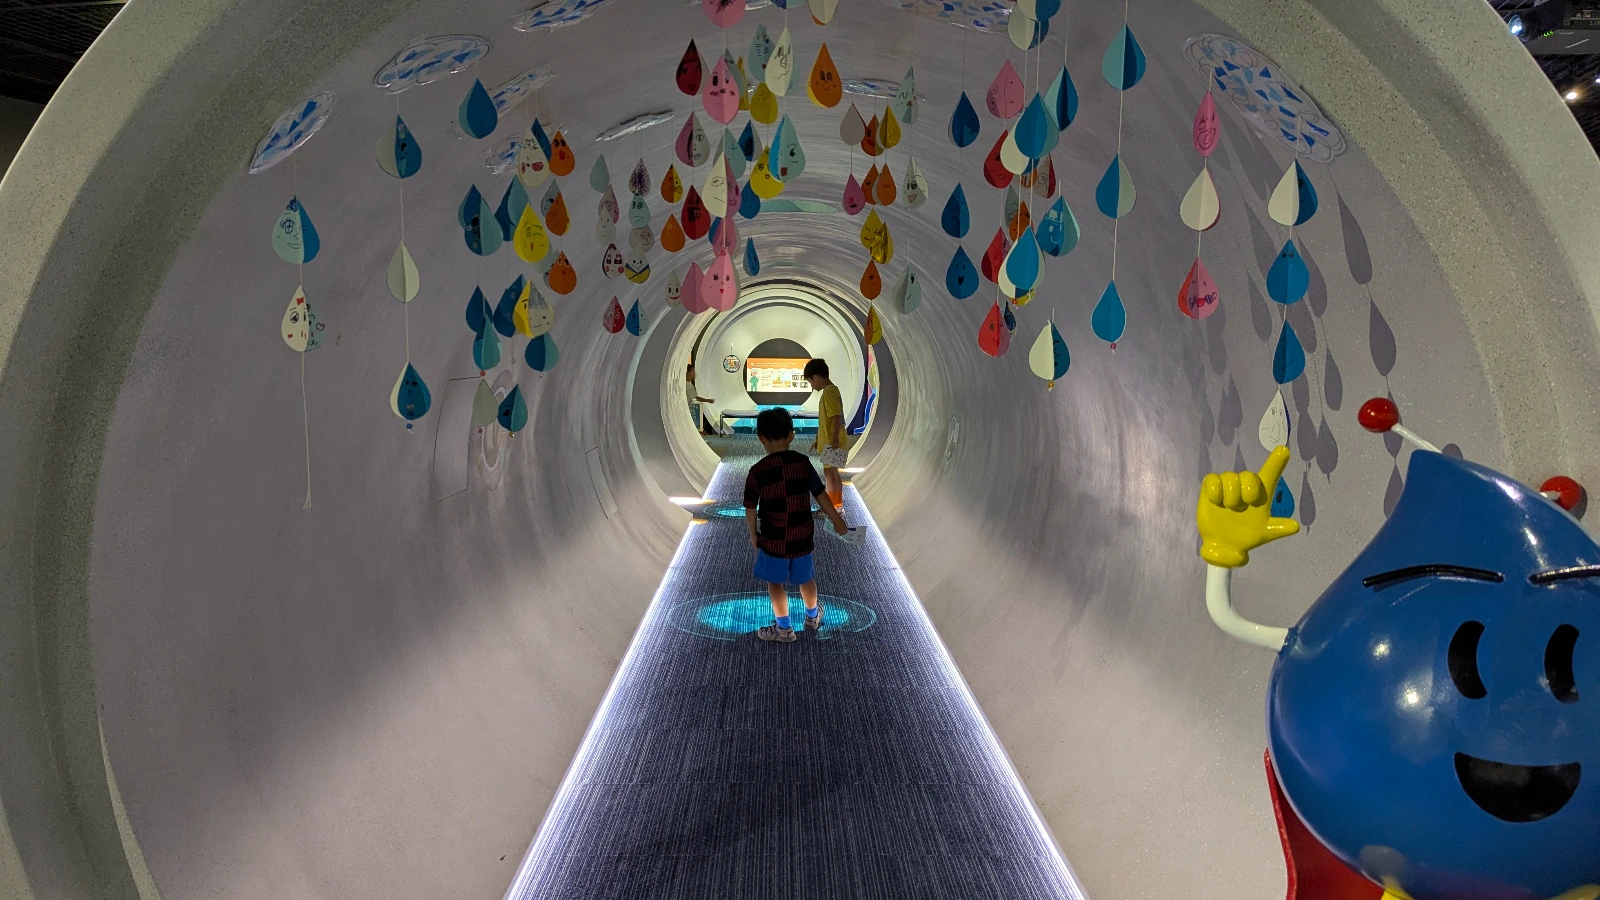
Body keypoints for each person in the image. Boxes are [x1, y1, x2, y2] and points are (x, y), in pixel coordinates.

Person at [744, 407, 848, 642]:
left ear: (760, 437)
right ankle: (812, 617)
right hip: (802, 535)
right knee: (806, 579)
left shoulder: (757, 472)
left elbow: (750, 507)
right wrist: (838, 521)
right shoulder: (802, 463)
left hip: (773, 538)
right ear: (792, 435)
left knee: (775, 583)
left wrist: (753, 534)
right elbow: (820, 494)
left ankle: (784, 629)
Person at [803, 358, 848, 511]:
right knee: (830, 472)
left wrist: (834, 439)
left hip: (833, 441)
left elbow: (836, 416)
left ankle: (834, 506)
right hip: (830, 440)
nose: (812, 385)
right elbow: (826, 420)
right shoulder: (831, 391)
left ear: (816, 377)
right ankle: (834, 505)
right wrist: (818, 439)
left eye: (810, 382)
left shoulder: (829, 392)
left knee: (831, 473)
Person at [686, 363, 717, 436]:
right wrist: (708, 400)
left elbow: (695, 397)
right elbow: (697, 398)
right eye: (693, 371)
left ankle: (700, 434)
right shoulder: (686, 385)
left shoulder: (688, 384)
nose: (694, 374)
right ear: (687, 372)